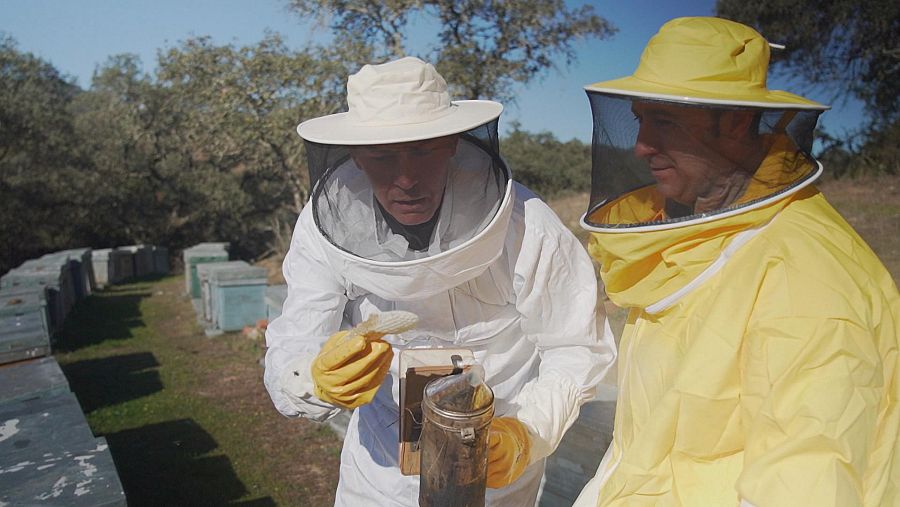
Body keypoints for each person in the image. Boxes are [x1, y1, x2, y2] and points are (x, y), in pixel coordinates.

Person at [573, 16, 899, 507]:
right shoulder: (693, 239)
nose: (642, 146)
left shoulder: (806, 280)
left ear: (737, 121)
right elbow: (651, 443)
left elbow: (806, 483)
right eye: (641, 119)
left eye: (666, 120)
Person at [263, 56, 617, 506]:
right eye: (383, 156)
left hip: (494, 475)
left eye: (423, 149)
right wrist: (312, 380)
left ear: (452, 142)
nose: (406, 179)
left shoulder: (527, 226)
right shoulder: (323, 229)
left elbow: (577, 346)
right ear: (355, 154)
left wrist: (528, 432)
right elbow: (294, 341)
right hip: (376, 480)